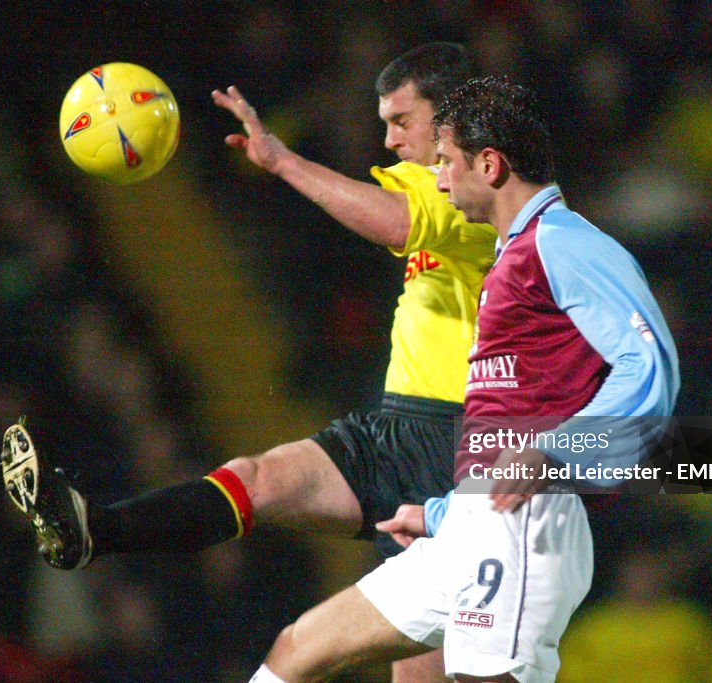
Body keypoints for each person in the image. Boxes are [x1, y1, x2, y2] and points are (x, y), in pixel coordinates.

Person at [0, 42, 496, 681]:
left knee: (415, 673)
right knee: (256, 479)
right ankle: (95, 529)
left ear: (452, 117)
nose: (390, 139)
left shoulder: (486, 187)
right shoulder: (430, 183)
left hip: (459, 449)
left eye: (402, 121)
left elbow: (395, 223)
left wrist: (283, 162)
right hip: (394, 430)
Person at [243, 75, 680, 682]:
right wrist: (443, 514)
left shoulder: (565, 243)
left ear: (490, 163)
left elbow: (650, 367)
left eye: (446, 162)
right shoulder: (509, 255)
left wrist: (553, 451)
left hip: (530, 525)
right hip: (471, 521)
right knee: (299, 648)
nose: (439, 179)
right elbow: (502, 425)